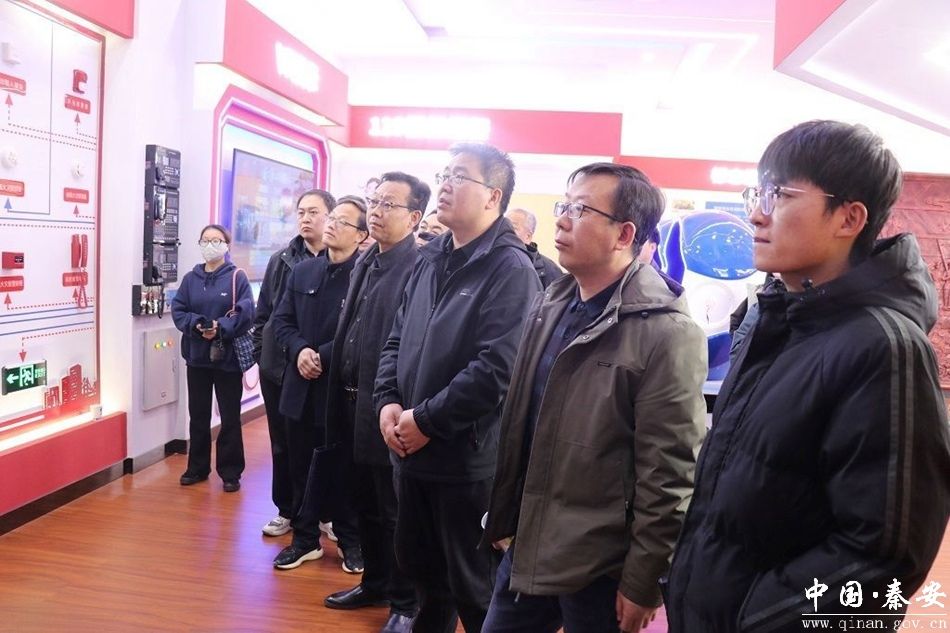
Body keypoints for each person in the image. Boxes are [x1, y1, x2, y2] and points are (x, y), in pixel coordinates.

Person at [665, 120, 950, 632]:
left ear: (849, 218)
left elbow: (883, 557)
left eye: (779, 195)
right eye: (757, 193)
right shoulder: (769, 317)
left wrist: (754, 619)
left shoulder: (885, 348)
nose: (756, 213)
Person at [481, 163, 708, 633]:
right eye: (563, 205)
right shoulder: (552, 302)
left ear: (624, 234)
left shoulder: (666, 333)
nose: (562, 219)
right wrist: (505, 517)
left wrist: (644, 580)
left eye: (580, 210)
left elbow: (668, 472)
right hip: (529, 541)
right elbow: (523, 423)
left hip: (600, 567)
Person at [375, 143, 542, 633]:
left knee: (473, 588)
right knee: (424, 575)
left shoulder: (511, 270)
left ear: (493, 196)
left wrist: (426, 421)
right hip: (410, 451)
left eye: (459, 176)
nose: (445, 185)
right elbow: (396, 337)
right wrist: (388, 401)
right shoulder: (430, 258)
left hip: (463, 462)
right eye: (444, 174)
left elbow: (496, 369)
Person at [322, 172, 430, 633]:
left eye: (389, 204)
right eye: (375, 201)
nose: (377, 211)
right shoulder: (368, 258)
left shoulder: (420, 267)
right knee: (362, 502)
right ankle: (375, 583)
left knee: (394, 512)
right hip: (350, 401)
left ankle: (405, 603)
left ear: (415, 217)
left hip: (387, 408)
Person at [271, 196, 368, 571]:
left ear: (361, 235)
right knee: (299, 466)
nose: (331, 225)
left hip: (340, 389)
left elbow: (362, 331)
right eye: (333, 219)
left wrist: (321, 356)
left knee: (343, 469)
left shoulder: (366, 276)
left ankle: (350, 540)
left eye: (343, 221)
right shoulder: (302, 272)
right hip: (300, 386)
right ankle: (304, 538)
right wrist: (299, 351)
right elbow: (281, 321)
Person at [253, 188, 335, 537]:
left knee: (323, 443)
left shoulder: (342, 259)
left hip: (324, 368)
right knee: (282, 443)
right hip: (279, 368)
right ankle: (287, 509)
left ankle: (325, 513)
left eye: (313, 212)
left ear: (330, 216)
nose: (305, 218)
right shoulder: (282, 259)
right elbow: (265, 314)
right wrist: (263, 355)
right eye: (301, 212)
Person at [171, 224, 254, 492]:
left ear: (226, 245)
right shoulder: (190, 279)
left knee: (230, 417)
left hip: (227, 359)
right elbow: (178, 310)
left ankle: (230, 472)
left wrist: (220, 327)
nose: (210, 245)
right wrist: (197, 325)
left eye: (216, 240)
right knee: (198, 415)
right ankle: (197, 467)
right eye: (205, 240)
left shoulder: (237, 277)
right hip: (197, 358)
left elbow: (246, 312)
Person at [505, 207, 563, 287]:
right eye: (504, 225)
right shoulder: (493, 258)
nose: (504, 230)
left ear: (528, 236)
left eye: (513, 228)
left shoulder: (550, 270)